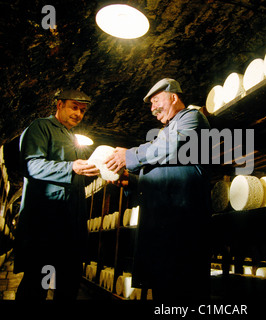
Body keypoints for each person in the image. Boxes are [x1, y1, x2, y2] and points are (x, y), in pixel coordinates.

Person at [105, 78, 212, 300]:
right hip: (164, 222)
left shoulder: (192, 118)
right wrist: (130, 180)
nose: (152, 109)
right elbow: (164, 173)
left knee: (183, 288)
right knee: (164, 287)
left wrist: (130, 155)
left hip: (183, 221)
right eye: (151, 105)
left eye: (156, 101)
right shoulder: (165, 131)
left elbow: (174, 146)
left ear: (174, 97)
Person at [14, 89, 99, 300]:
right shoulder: (41, 127)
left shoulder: (72, 137)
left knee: (68, 285)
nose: (78, 114)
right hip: (47, 226)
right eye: (74, 107)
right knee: (39, 283)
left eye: (82, 110)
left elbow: (77, 172)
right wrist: (71, 167)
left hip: (71, 226)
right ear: (59, 105)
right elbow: (32, 166)